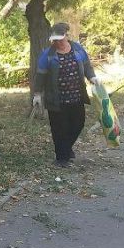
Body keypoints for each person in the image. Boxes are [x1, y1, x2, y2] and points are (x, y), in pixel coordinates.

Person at [32, 22, 101, 168]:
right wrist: (37, 94)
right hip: (56, 99)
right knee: (59, 128)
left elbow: (87, 65)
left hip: (76, 96)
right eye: (54, 40)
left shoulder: (77, 49)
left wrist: (92, 77)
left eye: (59, 39)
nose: (57, 42)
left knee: (78, 123)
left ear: (66, 36)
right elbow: (40, 76)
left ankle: (66, 149)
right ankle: (61, 158)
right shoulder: (47, 55)